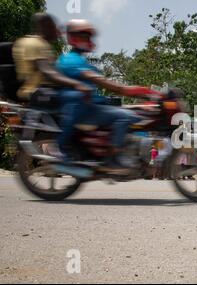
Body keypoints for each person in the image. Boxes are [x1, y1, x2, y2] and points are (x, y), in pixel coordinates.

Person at [57, 19, 145, 172]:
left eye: (89, 37)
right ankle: (113, 158)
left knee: (133, 112)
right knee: (124, 116)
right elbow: (99, 80)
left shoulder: (80, 60)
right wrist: (129, 90)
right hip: (82, 110)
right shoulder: (70, 60)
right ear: (73, 37)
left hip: (90, 107)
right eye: (84, 36)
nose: (88, 41)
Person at [12, 13, 91, 103]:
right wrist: (77, 84)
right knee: (79, 100)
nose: (58, 31)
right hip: (36, 92)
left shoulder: (44, 45)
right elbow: (47, 72)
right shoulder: (34, 43)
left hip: (47, 91)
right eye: (53, 27)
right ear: (44, 27)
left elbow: (56, 72)